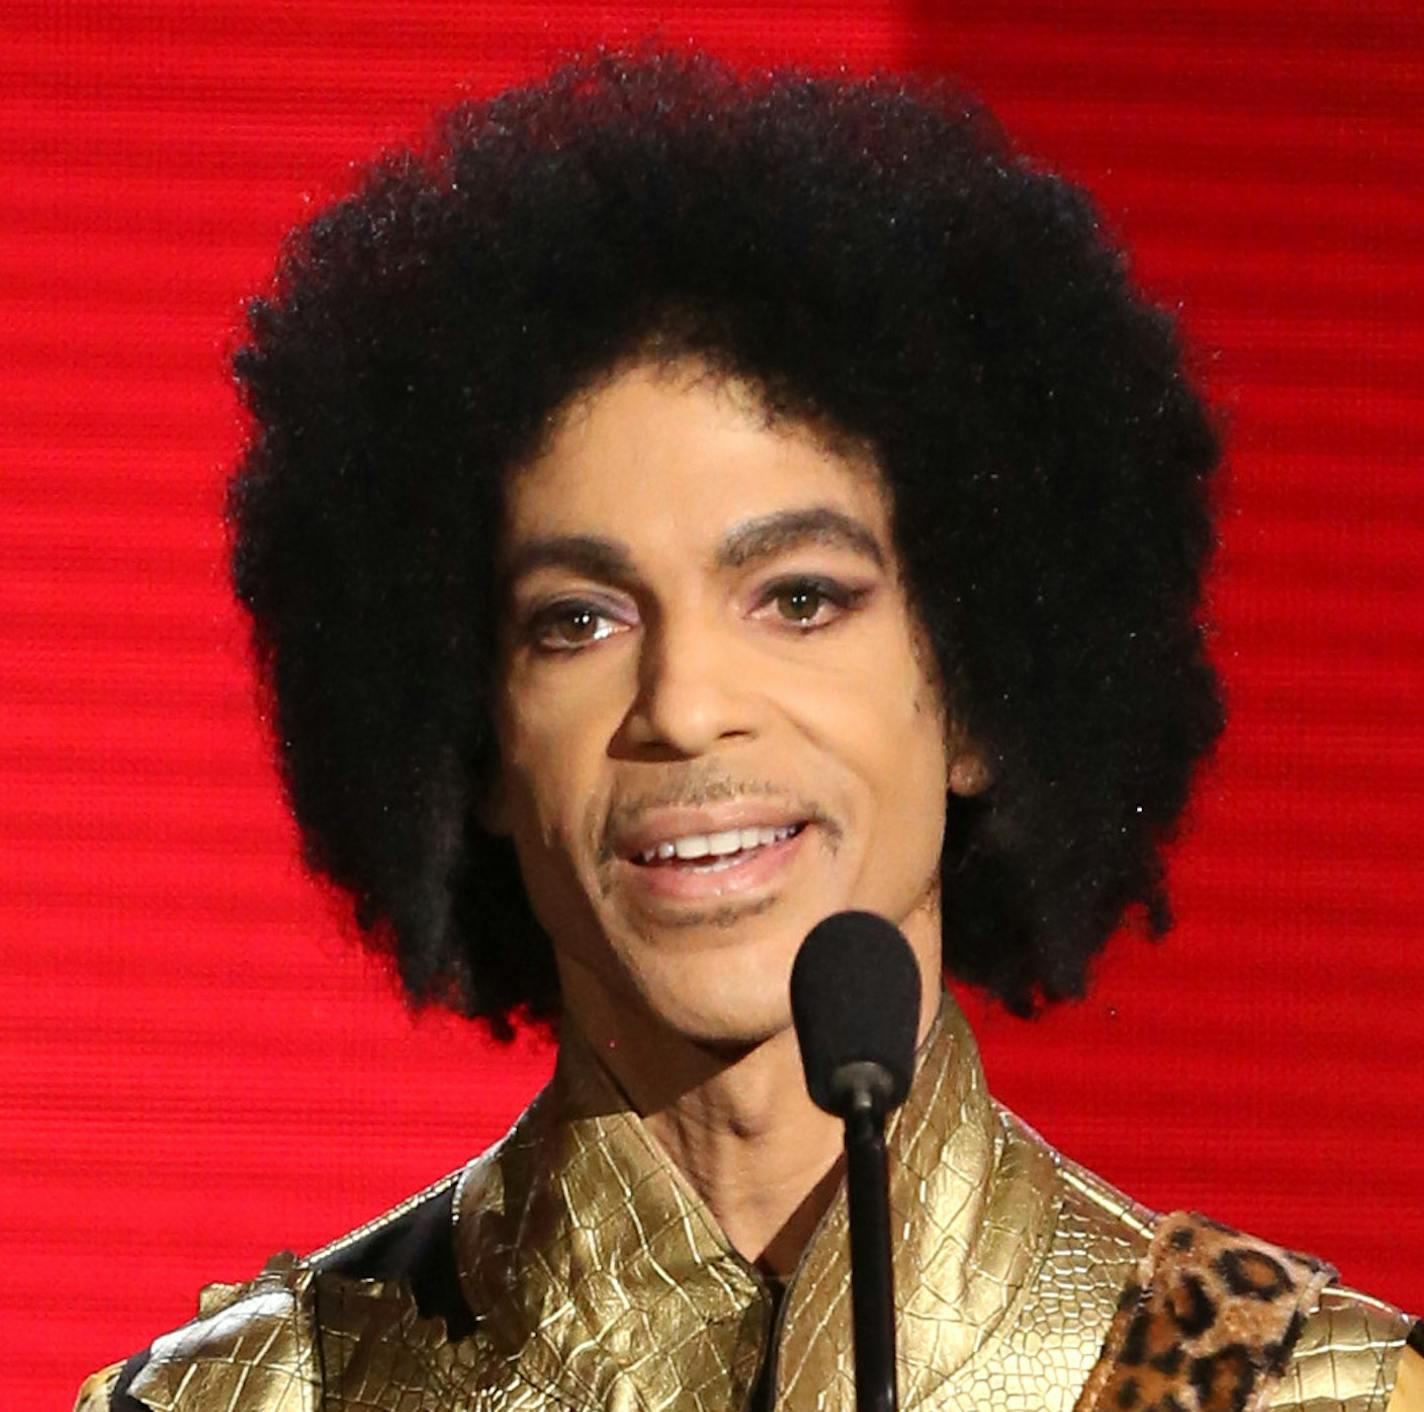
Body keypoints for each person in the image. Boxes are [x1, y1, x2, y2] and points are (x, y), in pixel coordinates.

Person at [77, 47, 1420, 1412]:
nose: (684, 706)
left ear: (979, 696)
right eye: (578, 621)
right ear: (474, 742)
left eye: (799, 597)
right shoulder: (259, 1400)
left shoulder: (1294, 1392)